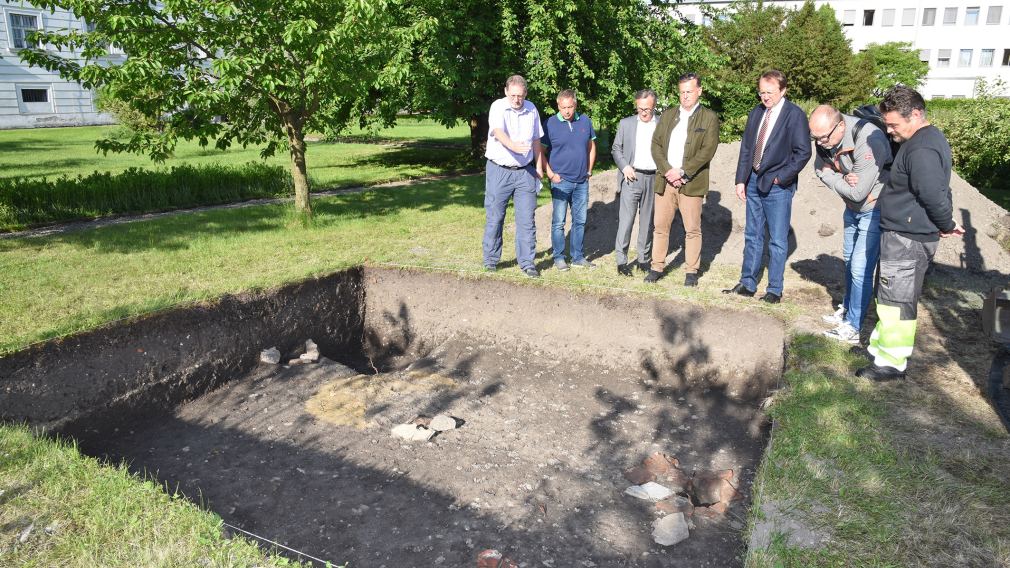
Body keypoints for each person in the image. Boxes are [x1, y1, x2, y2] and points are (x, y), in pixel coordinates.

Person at [857, 86, 964, 381]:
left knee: (897, 301)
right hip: (903, 233)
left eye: (893, 124)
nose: (889, 131)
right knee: (890, 295)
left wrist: (945, 224)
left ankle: (892, 363)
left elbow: (932, 193)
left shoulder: (923, 147)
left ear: (915, 114)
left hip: (908, 238)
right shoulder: (919, 140)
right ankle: (880, 349)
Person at [724, 70, 811, 303]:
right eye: (761, 92)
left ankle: (774, 289)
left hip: (777, 187)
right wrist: (741, 180)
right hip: (752, 181)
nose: (765, 97)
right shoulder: (757, 112)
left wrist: (781, 178)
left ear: (783, 90)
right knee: (752, 234)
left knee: (777, 239)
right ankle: (747, 283)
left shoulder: (794, 115)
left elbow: (803, 152)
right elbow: (746, 148)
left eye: (770, 92)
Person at [808, 104, 892, 344]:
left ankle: (853, 327)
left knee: (860, 268)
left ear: (841, 126)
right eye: (815, 137)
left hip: (874, 208)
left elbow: (858, 192)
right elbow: (818, 167)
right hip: (852, 209)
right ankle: (847, 309)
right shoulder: (824, 136)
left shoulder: (868, 138)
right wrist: (843, 177)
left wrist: (831, 175)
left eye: (824, 137)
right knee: (849, 260)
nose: (821, 143)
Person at [646, 73, 720, 286]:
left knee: (692, 229)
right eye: (682, 92)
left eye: (689, 91)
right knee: (660, 227)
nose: (685, 96)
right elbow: (656, 145)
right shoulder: (668, 115)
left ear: (699, 91)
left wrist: (683, 172)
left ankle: (691, 272)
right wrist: (668, 170)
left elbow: (708, 150)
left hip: (691, 183)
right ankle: (656, 267)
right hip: (665, 181)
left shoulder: (709, 117)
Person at [482, 75, 545, 278]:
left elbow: (536, 139)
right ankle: (491, 260)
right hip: (499, 170)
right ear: (506, 92)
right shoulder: (498, 107)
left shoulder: (532, 109)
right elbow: (498, 132)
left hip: (525, 172)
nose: (517, 99)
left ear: (525, 94)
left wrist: (539, 165)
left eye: (520, 95)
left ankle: (527, 263)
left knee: (527, 219)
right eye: (513, 95)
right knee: (495, 216)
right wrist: (513, 146)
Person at [542, 89, 597, 271]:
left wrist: (589, 171)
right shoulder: (550, 124)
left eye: (570, 107)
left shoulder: (585, 121)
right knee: (558, 222)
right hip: (560, 181)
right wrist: (550, 174)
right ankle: (559, 257)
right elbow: (540, 152)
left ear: (575, 105)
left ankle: (578, 257)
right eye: (563, 107)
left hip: (581, 181)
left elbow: (591, 146)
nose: (567, 111)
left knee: (579, 221)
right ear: (558, 106)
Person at [611, 89, 659, 276]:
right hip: (632, 177)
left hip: (654, 178)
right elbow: (616, 148)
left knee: (647, 222)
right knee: (626, 220)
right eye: (640, 109)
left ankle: (643, 259)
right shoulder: (626, 124)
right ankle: (621, 261)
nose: (644, 112)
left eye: (647, 109)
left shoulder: (662, 124)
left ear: (654, 106)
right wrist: (624, 167)